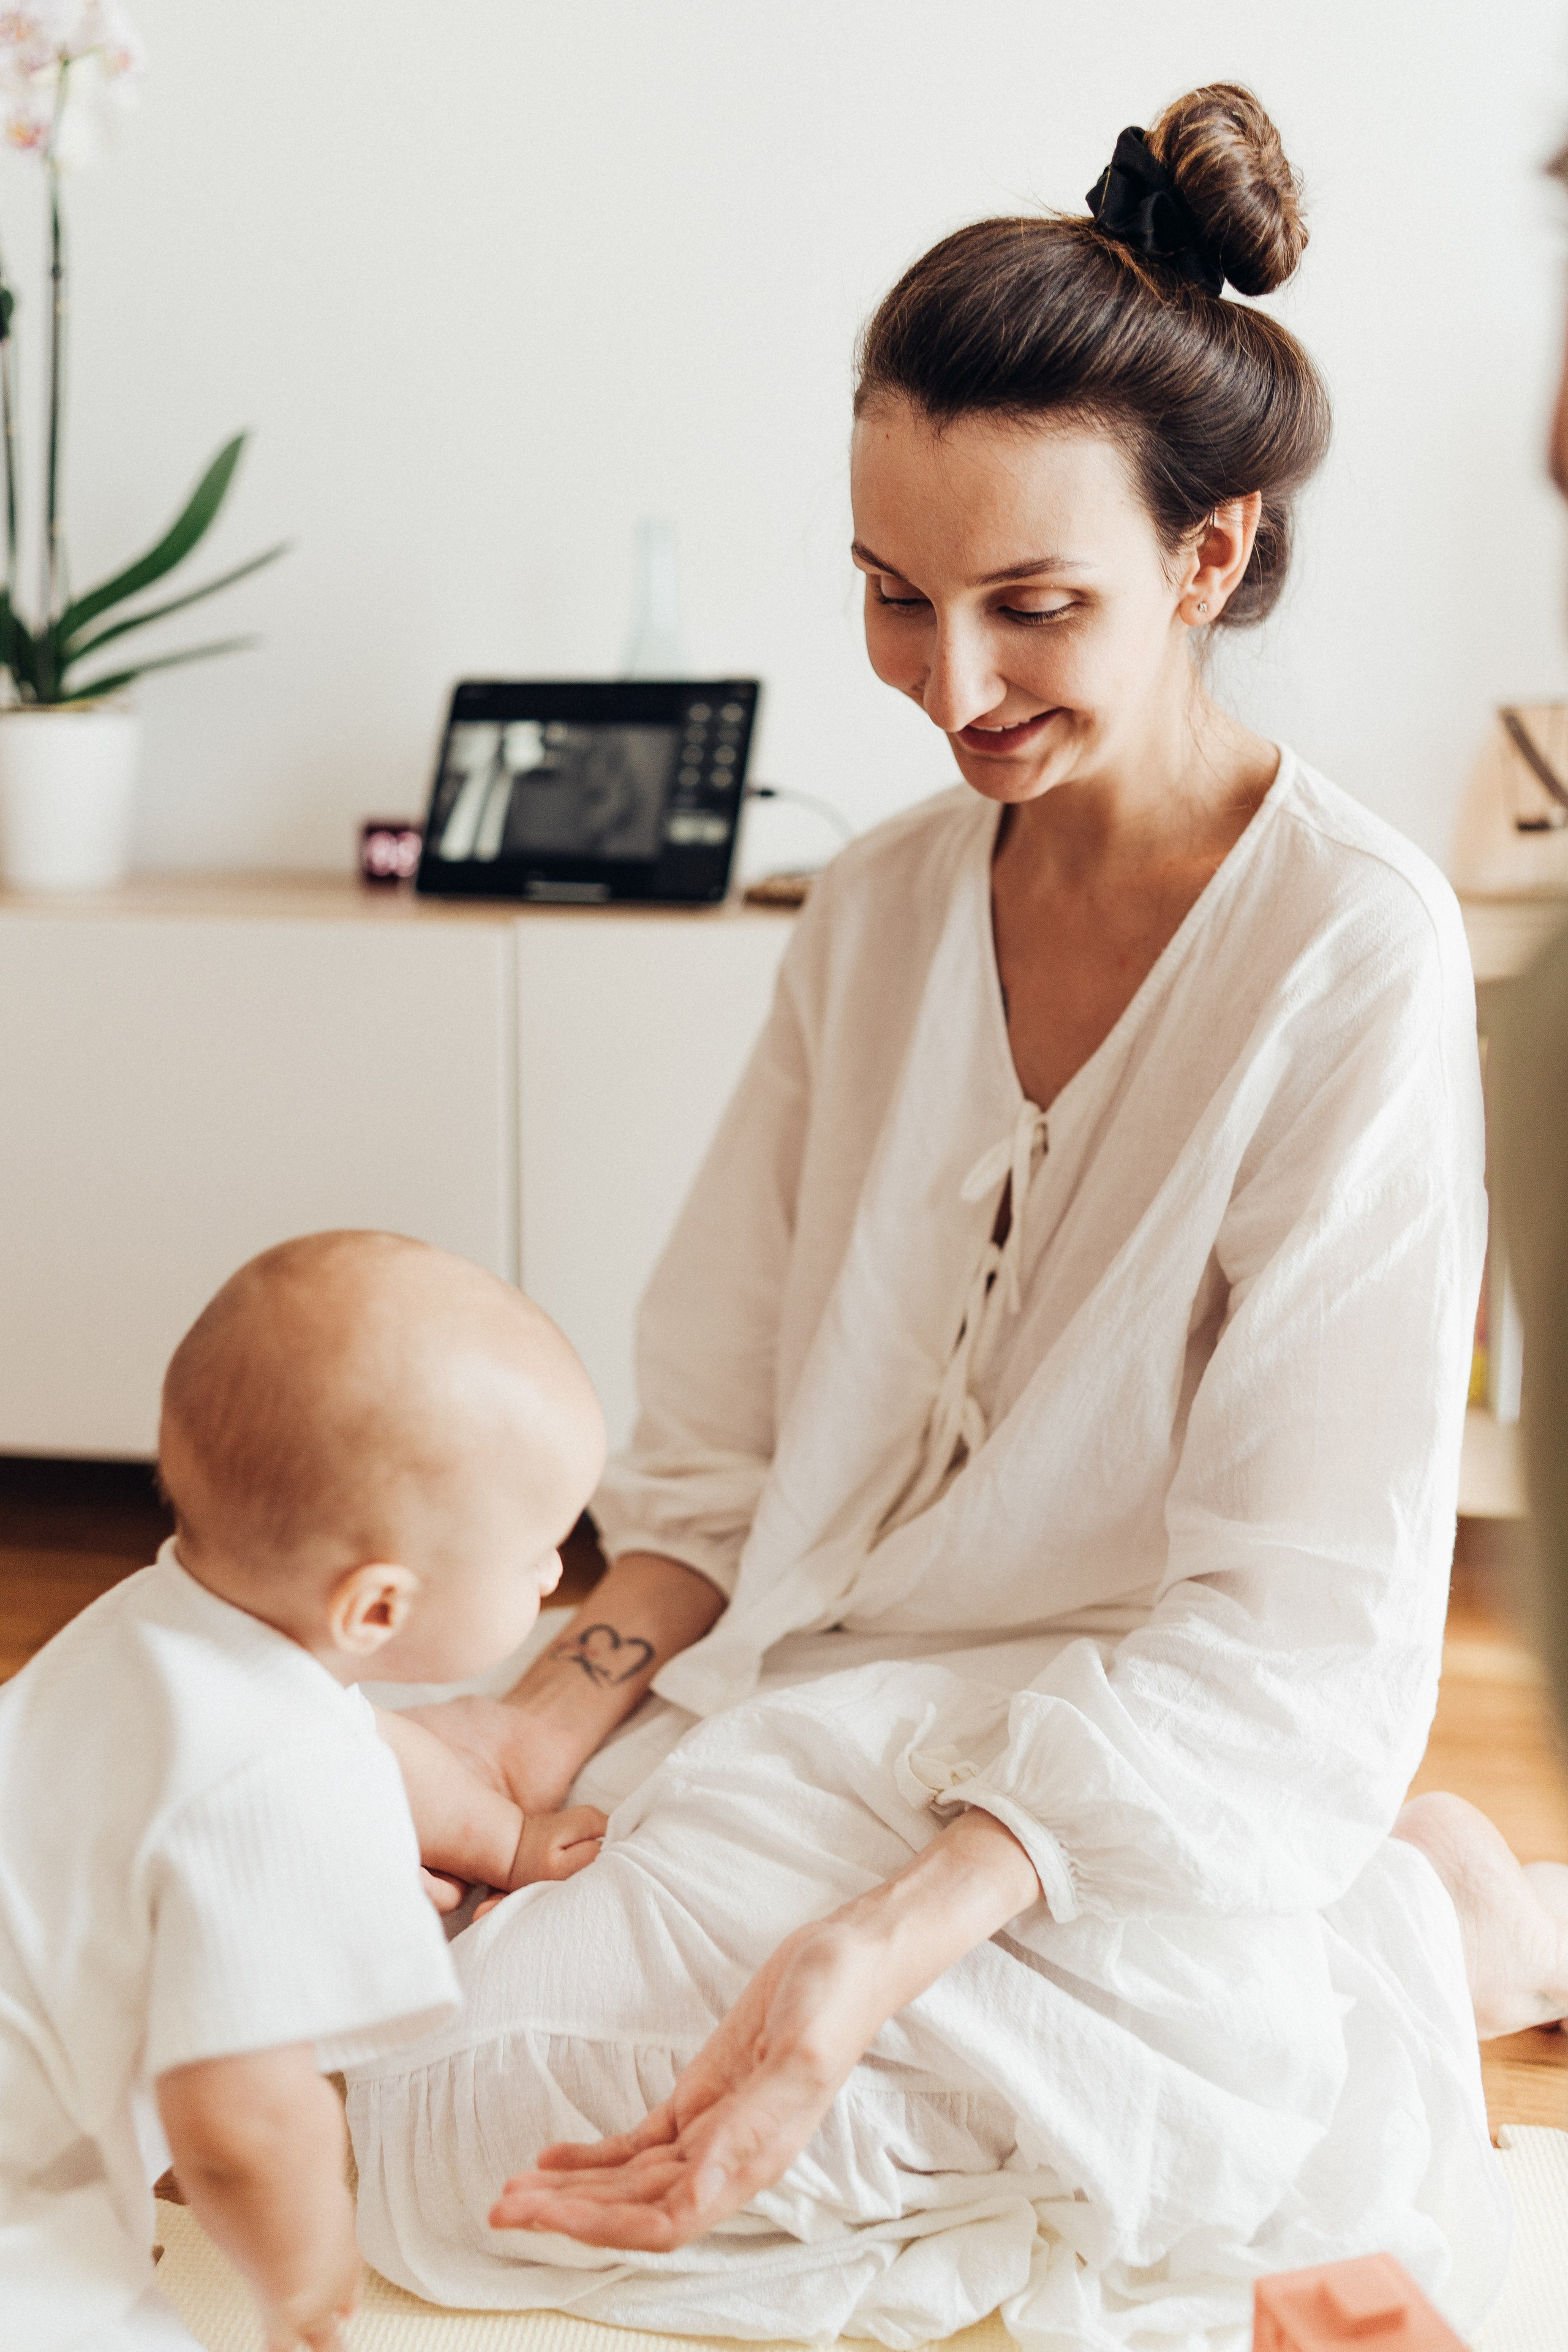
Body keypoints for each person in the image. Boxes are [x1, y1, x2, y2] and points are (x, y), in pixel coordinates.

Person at [363, 84, 1548, 2347]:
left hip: (1143, 1773)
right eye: (896, 604)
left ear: (1213, 560)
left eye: (1035, 607)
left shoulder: (1353, 956)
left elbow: (1294, 1625)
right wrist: (537, 1726)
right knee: (425, 2141)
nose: (955, 686)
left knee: (999, 2137)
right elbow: (713, 1451)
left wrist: (880, 1947)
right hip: (808, 1707)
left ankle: (1423, 1932)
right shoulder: (883, 907)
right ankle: (1414, 1946)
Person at [0, 1231, 606, 2352]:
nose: (556, 1573)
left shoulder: (149, 1624)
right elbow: (237, 2122)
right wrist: (306, 2266)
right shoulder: (281, 1791)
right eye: (539, 1548)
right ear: (376, 1609)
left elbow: (366, 1745)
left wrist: (509, 1837)